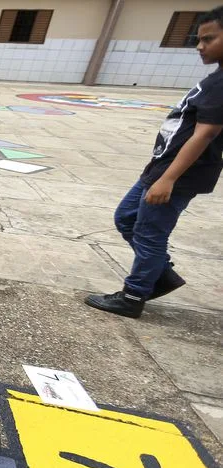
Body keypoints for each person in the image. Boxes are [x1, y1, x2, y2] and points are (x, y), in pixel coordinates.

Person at [86, 7, 223, 318]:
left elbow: (206, 133)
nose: (200, 46)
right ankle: (160, 273)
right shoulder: (216, 78)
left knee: (150, 232)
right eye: (198, 40)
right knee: (126, 217)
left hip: (177, 173)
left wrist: (169, 179)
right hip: (161, 168)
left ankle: (133, 296)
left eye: (209, 39)